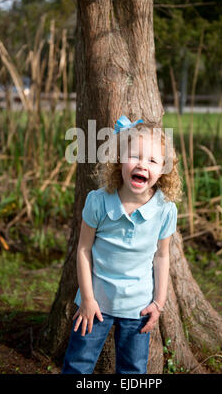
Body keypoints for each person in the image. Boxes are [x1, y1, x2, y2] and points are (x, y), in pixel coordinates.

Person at [62, 115, 182, 374]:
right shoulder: (99, 201)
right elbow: (83, 250)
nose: (142, 165)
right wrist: (88, 299)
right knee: (77, 365)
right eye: (135, 156)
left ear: (163, 168)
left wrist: (158, 303)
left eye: (152, 160)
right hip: (94, 306)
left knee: (133, 370)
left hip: (139, 309)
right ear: (119, 159)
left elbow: (162, 257)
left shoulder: (164, 210)